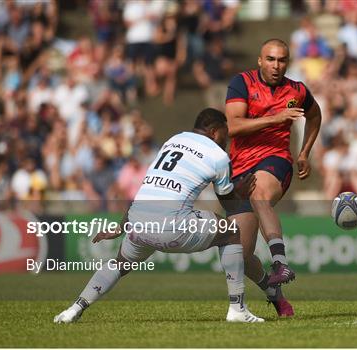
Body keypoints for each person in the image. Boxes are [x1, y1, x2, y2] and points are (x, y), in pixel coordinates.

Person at [54, 108, 264, 323]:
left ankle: (74, 308)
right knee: (231, 232)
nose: (226, 140)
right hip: (171, 227)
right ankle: (237, 309)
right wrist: (242, 193)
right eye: (225, 134)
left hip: (138, 222)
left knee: (120, 263)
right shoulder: (218, 156)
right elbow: (229, 204)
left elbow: (151, 186)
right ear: (213, 131)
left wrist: (121, 227)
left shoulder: (173, 140)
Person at [224, 39, 322, 316]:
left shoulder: (298, 90)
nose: (276, 66)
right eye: (270, 59)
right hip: (240, 168)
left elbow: (315, 116)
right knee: (238, 254)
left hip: (276, 160)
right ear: (259, 60)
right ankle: (272, 290)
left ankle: (280, 262)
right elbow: (233, 126)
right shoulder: (241, 83)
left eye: (281, 60)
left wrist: (304, 153)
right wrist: (275, 118)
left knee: (260, 194)